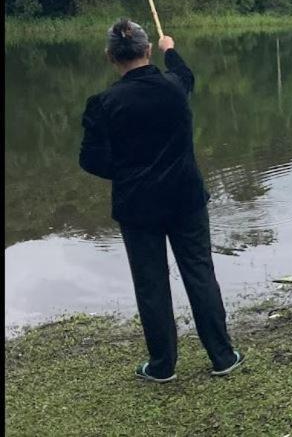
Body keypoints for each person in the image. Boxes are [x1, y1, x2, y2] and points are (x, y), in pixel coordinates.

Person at [79, 19, 243, 382]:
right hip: (186, 198)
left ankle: (162, 366)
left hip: (138, 206)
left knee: (151, 283)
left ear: (110, 57)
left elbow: (90, 160)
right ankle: (223, 356)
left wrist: (127, 172)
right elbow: (185, 73)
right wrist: (171, 48)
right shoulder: (174, 87)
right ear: (147, 49)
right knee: (199, 272)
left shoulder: (103, 104)